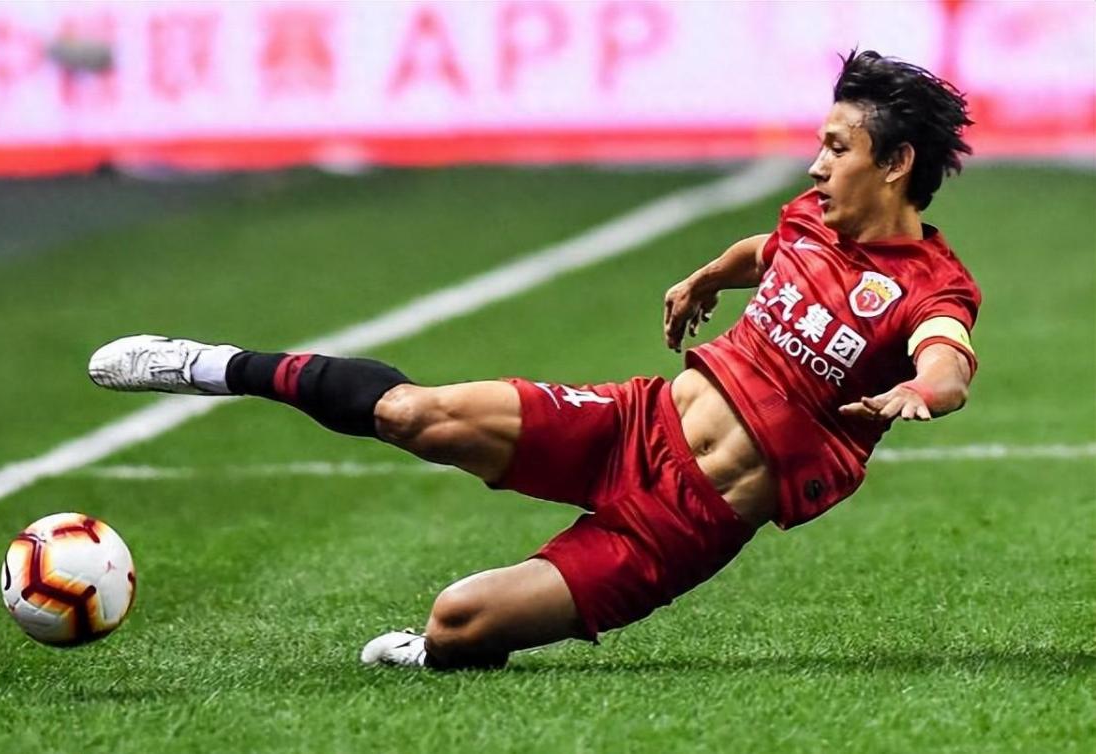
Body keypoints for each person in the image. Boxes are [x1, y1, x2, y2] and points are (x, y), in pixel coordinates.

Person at [88, 50, 979, 671]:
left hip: (675, 529)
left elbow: (948, 355)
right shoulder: (812, 217)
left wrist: (920, 389)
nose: (815, 164)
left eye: (837, 148)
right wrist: (708, 275)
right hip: (634, 422)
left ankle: (443, 650)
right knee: (413, 415)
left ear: (895, 163)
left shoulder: (929, 284)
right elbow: (768, 250)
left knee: (456, 623)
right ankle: (210, 366)